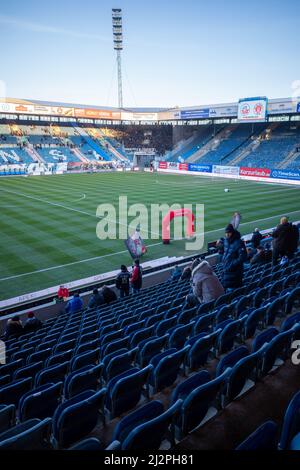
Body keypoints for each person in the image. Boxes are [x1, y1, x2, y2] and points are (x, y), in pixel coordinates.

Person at [222, 223, 247, 291]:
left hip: (235, 271)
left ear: (232, 232)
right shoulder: (225, 241)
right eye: (226, 233)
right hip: (226, 269)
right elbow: (226, 252)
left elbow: (243, 257)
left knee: (234, 290)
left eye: (229, 232)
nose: (227, 234)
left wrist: (232, 264)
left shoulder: (239, 242)